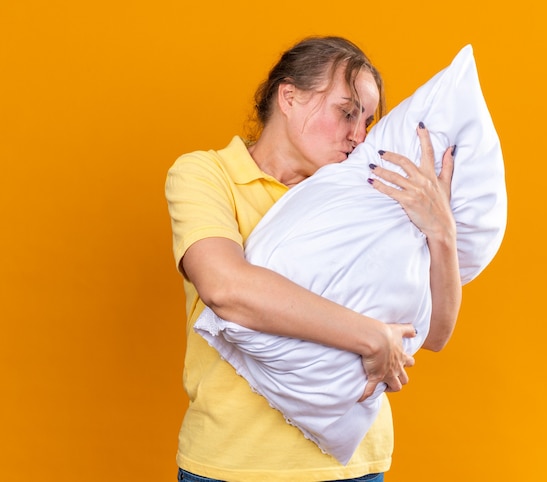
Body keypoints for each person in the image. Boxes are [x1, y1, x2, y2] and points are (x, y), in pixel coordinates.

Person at [166, 36, 461, 482]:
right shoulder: (208, 175)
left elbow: (434, 334)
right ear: (289, 97)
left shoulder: (373, 199)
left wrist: (441, 232)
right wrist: (371, 336)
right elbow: (226, 289)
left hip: (355, 466)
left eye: (367, 119)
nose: (359, 135)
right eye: (347, 111)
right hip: (234, 463)